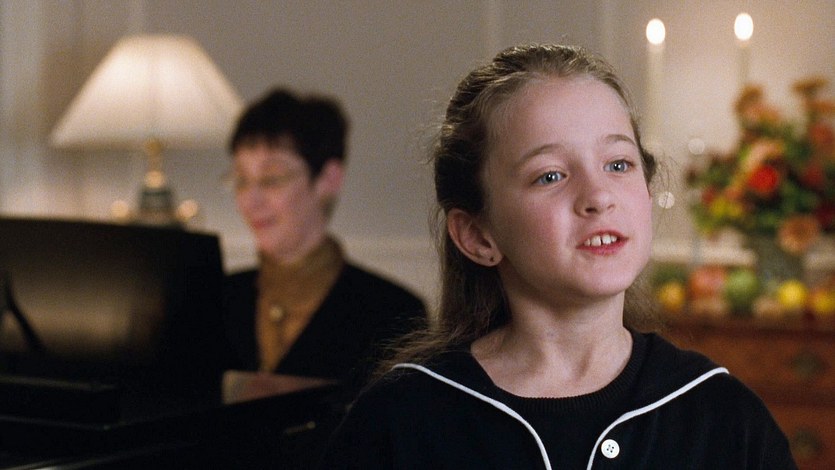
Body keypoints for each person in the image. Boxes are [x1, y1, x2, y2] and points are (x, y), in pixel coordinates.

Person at [318, 44, 796, 469]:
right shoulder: (400, 421)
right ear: (478, 235)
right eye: (550, 176)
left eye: (618, 164)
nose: (598, 196)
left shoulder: (724, 418)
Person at [221, 88, 426, 464]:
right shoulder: (217, 296)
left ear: (329, 178)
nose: (250, 200)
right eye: (241, 180)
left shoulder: (393, 313)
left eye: (271, 179)